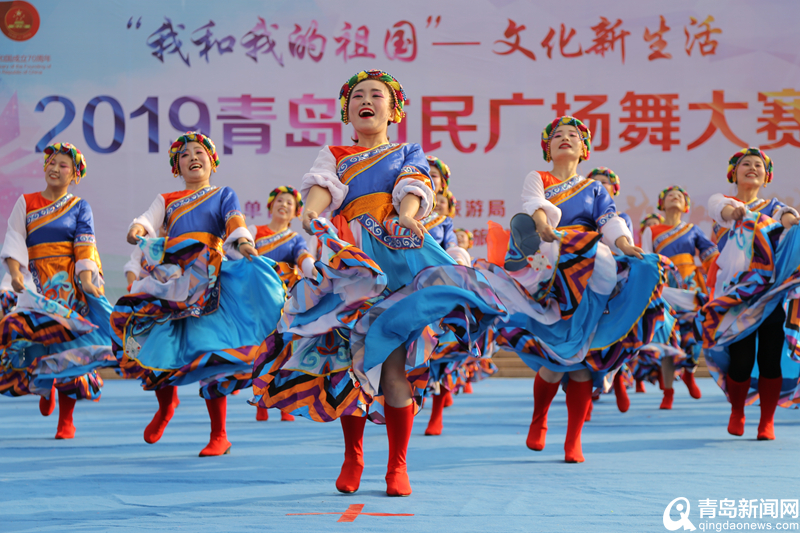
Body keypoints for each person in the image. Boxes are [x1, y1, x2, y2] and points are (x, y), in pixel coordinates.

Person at [250, 70, 505, 495]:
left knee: (393, 369)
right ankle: (353, 457)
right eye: (358, 96)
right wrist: (311, 213)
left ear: (394, 110)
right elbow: (323, 189)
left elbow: (412, 185)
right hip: (350, 263)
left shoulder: (407, 151)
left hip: (398, 260)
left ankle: (397, 466)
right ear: (347, 110)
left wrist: (405, 215)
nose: (366, 101)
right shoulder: (334, 154)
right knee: (349, 364)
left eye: (376, 95)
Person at [480, 116, 668, 462]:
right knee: (554, 362)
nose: (565, 138)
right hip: (549, 260)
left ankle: (573, 440)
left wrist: (625, 245)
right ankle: (539, 420)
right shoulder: (538, 177)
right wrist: (543, 227)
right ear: (547, 148)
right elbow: (534, 206)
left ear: (584, 149)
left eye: (574, 135)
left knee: (582, 365)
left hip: (588, 268)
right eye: (557, 135)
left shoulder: (595, 189)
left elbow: (608, 220)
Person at [111, 132, 285, 456]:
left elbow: (234, 221)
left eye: (199, 152)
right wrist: (139, 229)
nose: (192, 157)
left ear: (212, 162)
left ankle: (219, 435)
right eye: (184, 154)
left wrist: (243, 242)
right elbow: (147, 221)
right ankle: (166, 406)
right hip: (172, 281)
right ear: (176, 167)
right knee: (158, 349)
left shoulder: (222, 194)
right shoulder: (167, 199)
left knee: (213, 353)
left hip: (209, 283)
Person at [0, 143, 115, 439]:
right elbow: (15, 239)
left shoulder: (79, 206)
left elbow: (85, 245)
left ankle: (66, 420)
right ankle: (42, 384)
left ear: (74, 174)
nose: (55, 168)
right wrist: (15, 273)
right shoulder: (26, 202)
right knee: (23, 336)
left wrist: (87, 281)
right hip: (35, 287)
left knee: (68, 351)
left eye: (63, 165)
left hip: (67, 289)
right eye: (51, 162)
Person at [702, 147, 800, 440]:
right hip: (734, 295)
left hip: (769, 294)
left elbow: (787, 217)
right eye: (746, 164)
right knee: (741, 361)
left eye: (759, 165)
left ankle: (767, 421)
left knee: (770, 358)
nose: (753, 168)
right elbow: (722, 210)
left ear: (766, 177)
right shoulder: (721, 201)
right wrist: (736, 213)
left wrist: (791, 219)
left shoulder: (775, 207)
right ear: (734, 173)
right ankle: (738, 411)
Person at [640, 186, 717, 408]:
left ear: (686, 206)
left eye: (680, 196)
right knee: (668, 342)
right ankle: (668, 393)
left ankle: (689, 375)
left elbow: (711, 256)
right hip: (664, 290)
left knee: (693, 338)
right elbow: (646, 260)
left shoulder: (693, 230)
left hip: (691, 289)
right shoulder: (651, 231)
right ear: (661, 204)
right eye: (670, 196)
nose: (675, 197)